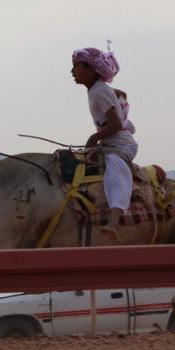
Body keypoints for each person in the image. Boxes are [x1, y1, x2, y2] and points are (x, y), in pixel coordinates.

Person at [71, 45, 138, 238]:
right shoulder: (97, 89)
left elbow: (116, 123)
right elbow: (121, 93)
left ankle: (114, 221)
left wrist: (95, 137)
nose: (72, 72)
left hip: (120, 146)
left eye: (76, 67)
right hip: (109, 144)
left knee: (114, 171)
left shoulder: (99, 91)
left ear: (91, 70)